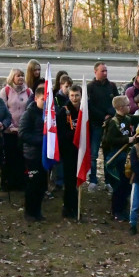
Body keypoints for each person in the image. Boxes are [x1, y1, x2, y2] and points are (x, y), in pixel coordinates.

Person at [102, 96, 139, 221]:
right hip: (117, 156)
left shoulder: (127, 118)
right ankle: (116, 211)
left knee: (127, 184)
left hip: (126, 156)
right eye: (128, 105)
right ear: (120, 107)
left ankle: (123, 208)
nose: (130, 106)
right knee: (119, 185)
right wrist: (126, 139)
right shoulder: (113, 122)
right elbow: (108, 140)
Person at [20, 85, 47, 221]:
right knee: (32, 184)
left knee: (42, 184)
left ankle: (38, 211)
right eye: (43, 99)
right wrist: (42, 141)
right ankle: (29, 212)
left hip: (44, 156)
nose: (45, 102)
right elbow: (23, 133)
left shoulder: (49, 114)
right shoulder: (29, 114)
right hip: (32, 155)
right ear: (36, 98)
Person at [56, 84, 83, 219]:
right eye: (72, 95)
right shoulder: (64, 111)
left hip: (80, 150)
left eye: (77, 95)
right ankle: (68, 208)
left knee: (77, 180)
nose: (74, 98)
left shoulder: (84, 110)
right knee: (69, 181)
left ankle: (75, 206)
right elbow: (60, 133)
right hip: (68, 151)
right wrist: (74, 134)